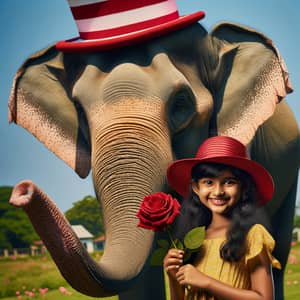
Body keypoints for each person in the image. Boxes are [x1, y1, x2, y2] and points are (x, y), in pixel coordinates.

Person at [164, 136, 281, 300]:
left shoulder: (253, 235)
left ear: (244, 187)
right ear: (196, 188)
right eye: (208, 182)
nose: (218, 191)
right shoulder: (193, 240)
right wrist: (173, 277)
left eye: (229, 182)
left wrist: (207, 282)